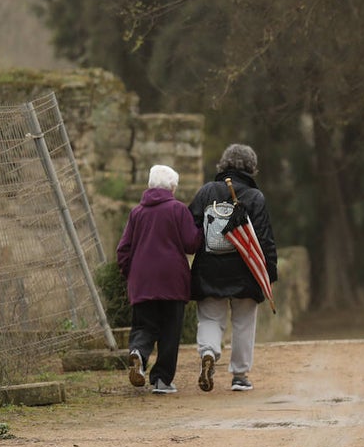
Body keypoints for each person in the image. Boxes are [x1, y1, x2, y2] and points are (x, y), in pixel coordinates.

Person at [188, 143, 278, 392]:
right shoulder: (255, 197)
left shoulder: (207, 192)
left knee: (209, 318)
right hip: (246, 271)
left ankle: (208, 353)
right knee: (243, 323)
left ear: (223, 164)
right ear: (251, 168)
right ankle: (239, 375)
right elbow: (264, 238)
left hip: (209, 268)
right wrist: (268, 273)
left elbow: (191, 230)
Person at [116, 164, 203, 394]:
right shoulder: (178, 210)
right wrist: (202, 230)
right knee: (169, 331)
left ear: (149, 185)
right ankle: (162, 380)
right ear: (172, 187)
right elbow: (191, 244)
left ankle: (138, 354)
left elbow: (123, 250)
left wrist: (131, 274)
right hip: (172, 280)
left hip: (143, 280)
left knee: (144, 325)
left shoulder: (137, 213)